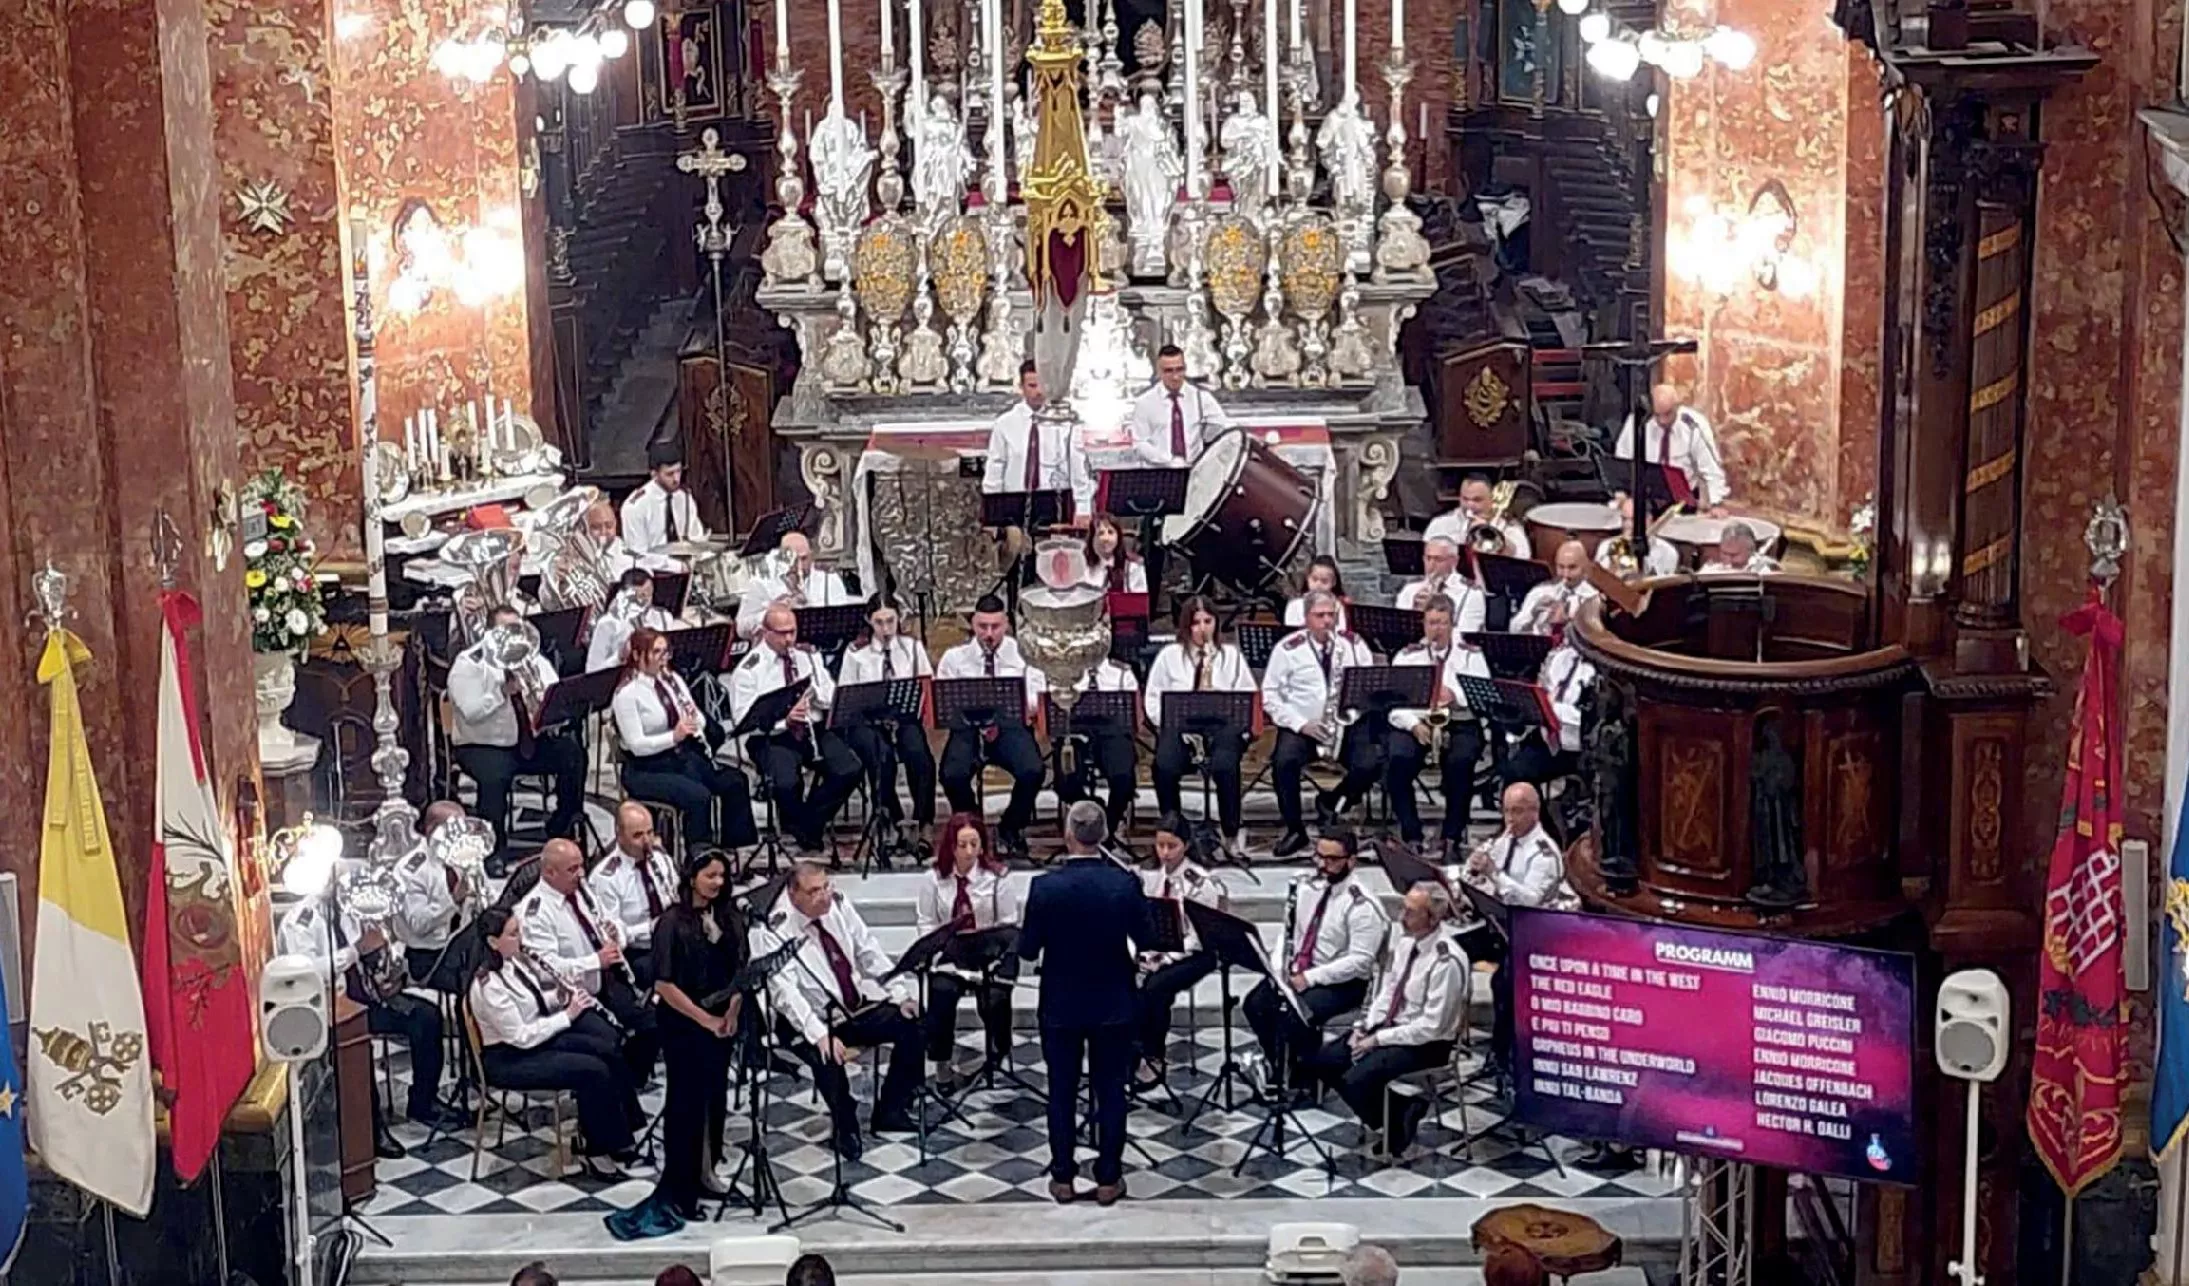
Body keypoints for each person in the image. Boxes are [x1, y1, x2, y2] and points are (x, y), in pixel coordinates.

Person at [1018, 800, 1153, 1206]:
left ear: (1067, 835)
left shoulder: (1045, 887)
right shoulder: (1124, 884)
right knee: (1111, 1090)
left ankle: (1063, 1176)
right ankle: (1109, 1177)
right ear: (1105, 835)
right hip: (1113, 1001)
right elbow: (1147, 938)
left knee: (1061, 1090)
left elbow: (1028, 949)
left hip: (1061, 1004)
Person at [609, 851, 746, 1237]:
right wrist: (706, 1020)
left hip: (723, 1020)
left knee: (714, 1098)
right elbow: (665, 985)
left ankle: (707, 1171)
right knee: (686, 1105)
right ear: (692, 876)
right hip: (685, 1025)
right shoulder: (670, 922)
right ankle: (682, 1188)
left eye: (722, 876)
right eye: (710, 875)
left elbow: (740, 970)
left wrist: (732, 1012)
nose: (717, 882)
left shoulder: (729, 916)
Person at [749, 862, 926, 1160]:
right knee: (826, 1056)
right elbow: (786, 994)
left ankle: (892, 1108)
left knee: (913, 1022)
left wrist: (899, 993)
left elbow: (868, 950)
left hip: (850, 1007)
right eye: (814, 891)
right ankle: (845, 1124)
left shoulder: (838, 905)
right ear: (793, 895)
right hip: (807, 1018)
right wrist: (820, 1035)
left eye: (826, 886)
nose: (824, 896)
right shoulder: (774, 929)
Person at [278, 884, 465, 1148]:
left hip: (369, 995)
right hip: (332, 1006)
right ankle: (371, 1127)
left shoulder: (348, 911)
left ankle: (424, 1101)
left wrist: (389, 964)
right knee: (358, 1043)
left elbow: (371, 952)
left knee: (427, 1017)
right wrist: (355, 950)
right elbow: (307, 972)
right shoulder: (300, 922)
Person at [469, 906, 644, 1181]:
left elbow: (533, 1002)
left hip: (535, 1040)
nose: (520, 938)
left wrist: (560, 997)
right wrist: (567, 1015)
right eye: (513, 934)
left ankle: (624, 1135)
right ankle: (597, 1151)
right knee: (592, 1071)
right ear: (493, 942)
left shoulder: (513, 963)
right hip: (509, 1058)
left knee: (606, 1049)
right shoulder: (488, 985)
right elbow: (521, 1036)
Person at [1306, 882, 1466, 1158]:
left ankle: (1397, 1124)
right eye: (1403, 908)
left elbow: (1431, 1026)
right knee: (1327, 1061)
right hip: (1393, 1027)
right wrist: (1365, 1026)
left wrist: (1377, 1040)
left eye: (1411, 912)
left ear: (1433, 918)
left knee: (1357, 1078)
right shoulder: (1406, 943)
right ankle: (1400, 1110)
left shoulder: (1447, 961)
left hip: (1428, 1043)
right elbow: (1389, 992)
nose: (1402, 917)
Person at [1245, 830, 1386, 1098]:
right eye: (1319, 857)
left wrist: (1310, 978)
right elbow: (1289, 933)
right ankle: (1282, 1066)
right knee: (1255, 1004)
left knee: (1296, 1014)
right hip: (1299, 971)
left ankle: (1306, 1078)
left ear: (1351, 861)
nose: (1322, 865)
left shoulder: (1363, 906)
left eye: (1332, 859)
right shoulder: (1307, 888)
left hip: (1343, 983)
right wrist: (1278, 969)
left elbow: (1360, 962)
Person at [448, 603, 585, 868]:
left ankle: (562, 826)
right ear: (489, 633)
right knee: (494, 777)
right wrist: (501, 692)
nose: (513, 638)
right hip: (481, 744)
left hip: (525, 741)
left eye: (517, 630)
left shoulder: (531, 657)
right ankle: (493, 849)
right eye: (506, 631)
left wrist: (546, 707)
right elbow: (470, 712)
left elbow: (554, 692)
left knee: (571, 754)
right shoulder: (468, 664)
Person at [516, 839, 660, 1085]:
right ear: (549, 872)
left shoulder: (581, 891)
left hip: (605, 982)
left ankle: (630, 1082)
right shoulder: (536, 912)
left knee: (653, 1023)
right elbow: (545, 969)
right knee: (608, 1041)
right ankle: (613, 1091)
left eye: (581, 866)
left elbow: (609, 920)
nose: (581, 874)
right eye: (572, 869)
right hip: (572, 997)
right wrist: (595, 960)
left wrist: (615, 933)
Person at [729, 602, 863, 855]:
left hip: (812, 727)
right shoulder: (749, 670)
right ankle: (800, 824)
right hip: (772, 737)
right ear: (766, 633)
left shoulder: (807, 656)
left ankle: (808, 823)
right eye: (782, 633)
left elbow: (830, 696)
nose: (789, 639)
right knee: (786, 783)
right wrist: (785, 721)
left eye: (792, 631)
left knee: (849, 769)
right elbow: (743, 721)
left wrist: (814, 694)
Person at [612, 626, 758, 850]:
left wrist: (696, 723)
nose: (664, 658)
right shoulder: (627, 695)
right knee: (698, 796)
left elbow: (696, 714)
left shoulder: (673, 680)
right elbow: (636, 745)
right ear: (637, 655)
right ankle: (700, 856)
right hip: (646, 769)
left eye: (666, 652)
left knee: (734, 781)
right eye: (657, 652)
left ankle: (734, 849)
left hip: (680, 757)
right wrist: (674, 736)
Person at [1261, 591, 1378, 858]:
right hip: (1304, 725)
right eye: (1320, 615)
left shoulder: (1353, 645)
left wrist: (1354, 711)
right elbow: (1270, 694)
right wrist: (1300, 723)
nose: (1327, 621)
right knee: (1283, 763)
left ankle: (1332, 802)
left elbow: (1370, 683)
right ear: (1306, 618)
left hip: (1345, 723)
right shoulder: (1287, 648)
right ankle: (1295, 829)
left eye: (1331, 615)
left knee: (1371, 763)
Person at [1460, 782, 1568, 1070]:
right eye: (1506, 811)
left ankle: (1502, 1055)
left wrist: (1494, 875)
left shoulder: (1544, 853)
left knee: (1503, 982)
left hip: (1533, 935)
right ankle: (1448, 1034)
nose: (1510, 819)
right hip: (1500, 925)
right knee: (1454, 951)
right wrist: (1473, 871)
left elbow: (1530, 900)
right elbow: (1476, 876)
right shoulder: (1504, 841)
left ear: (1535, 811)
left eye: (1518, 812)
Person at [935, 594, 1048, 858]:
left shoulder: (1025, 654)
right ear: (973, 624)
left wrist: (1017, 701)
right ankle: (973, 826)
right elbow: (943, 698)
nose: (988, 634)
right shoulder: (954, 658)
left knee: (1033, 771)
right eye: (982, 626)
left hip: (1010, 728)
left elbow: (1037, 695)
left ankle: (1011, 826)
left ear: (1006, 624)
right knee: (951, 775)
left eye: (995, 627)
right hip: (968, 729)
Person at [916, 814, 1023, 1086]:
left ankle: (998, 1050)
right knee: (941, 993)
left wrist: (999, 957)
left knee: (995, 998)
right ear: (951, 846)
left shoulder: (998, 878)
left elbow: (1008, 924)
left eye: (974, 844)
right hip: (950, 956)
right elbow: (926, 921)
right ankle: (942, 1063)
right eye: (962, 845)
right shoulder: (933, 879)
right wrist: (935, 953)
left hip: (989, 955)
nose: (968, 852)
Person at [1146, 595, 1255, 849]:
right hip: (1179, 728)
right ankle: (1173, 831)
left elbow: (1248, 695)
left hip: (1223, 728)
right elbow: (1152, 697)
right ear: (1186, 626)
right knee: (1163, 767)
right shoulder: (1169, 656)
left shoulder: (1232, 656)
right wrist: (1165, 721)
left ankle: (1230, 832)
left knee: (1226, 767)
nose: (1203, 628)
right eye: (1196, 623)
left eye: (1208, 621)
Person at [1384, 593, 1489, 849]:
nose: (1437, 629)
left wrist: (1455, 696)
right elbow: (1393, 703)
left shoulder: (1471, 655)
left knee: (1460, 764)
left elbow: (1483, 695)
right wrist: (1413, 725)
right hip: (1417, 721)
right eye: (1431, 623)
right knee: (1398, 762)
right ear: (1423, 624)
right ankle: (1412, 835)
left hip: (1458, 720)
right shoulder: (1407, 656)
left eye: (1442, 623)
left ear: (1452, 624)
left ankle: (1452, 836)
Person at [835, 596, 939, 846]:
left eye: (890, 621)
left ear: (898, 618)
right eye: (879, 622)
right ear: (869, 622)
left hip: (903, 717)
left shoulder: (912, 648)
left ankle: (923, 822)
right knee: (881, 758)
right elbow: (846, 695)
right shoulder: (856, 653)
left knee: (920, 757)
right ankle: (892, 818)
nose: (886, 629)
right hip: (867, 722)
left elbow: (927, 684)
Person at [1135, 812, 1227, 1086]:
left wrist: (1164, 959)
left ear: (1185, 845)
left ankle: (1154, 1055)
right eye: (1160, 845)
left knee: (1156, 987)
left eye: (1171, 846)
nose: (1164, 853)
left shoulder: (1200, 883)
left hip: (1196, 953)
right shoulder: (1149, 874)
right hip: (1157, 947)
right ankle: (1130, 1050)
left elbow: (1197, 938)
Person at [982, 359, 1097, 522]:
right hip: (1014, 499)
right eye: (1032, 386)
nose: (1039, 391)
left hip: (1054, 499)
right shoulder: (1005, 424)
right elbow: (996, 466)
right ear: (1021, 387)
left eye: (1043, 385)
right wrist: (992, 507)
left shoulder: (1065, 422)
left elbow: (1078, 466)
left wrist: (1083, 507)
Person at [589, 801, 681, 986]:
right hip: (640, 950)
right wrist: (652, 928)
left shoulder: (661, 859)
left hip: (673, 937)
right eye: (638, 835)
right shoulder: (605, 878)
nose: (647, 841)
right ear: (619, 835)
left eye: (650, 832)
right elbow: (614, 937)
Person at [396, 801, 481, 993]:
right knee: (479, 987)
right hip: (429, 956)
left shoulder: (464, 855)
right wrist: (453, 901)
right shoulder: (411, 871)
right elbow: (419, 924)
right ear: (432, 830)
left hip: (466, 944)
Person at [1053, 654, 1141, 837]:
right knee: (1066, 780)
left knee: (1123, 778)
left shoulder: (1122, 673)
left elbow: (1136, 717)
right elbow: (1051, 706)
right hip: (1074, 735)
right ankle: (1093, 813)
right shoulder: (1063, 673)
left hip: (1112, 735)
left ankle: (1108, 829)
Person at [1611, 383, 1731, 512]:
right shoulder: (1638, 421)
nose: (1662, 421)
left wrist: (1716, 503)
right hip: (1646, 496)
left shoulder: (1694, 425)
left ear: (1677, 406)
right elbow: (1622, 460)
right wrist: (1621, 494)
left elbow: (1711, 467)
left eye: (1668, 414)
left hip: (1683, 499)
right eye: (1657, 415)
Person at [1501, 638, 1594, 790]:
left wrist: (1552, 708)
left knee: (1522, 772)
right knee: (1513, 771)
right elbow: (1545, 692)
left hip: (1578, 745)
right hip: (1547, 738)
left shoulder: (1598, 672)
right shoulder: (1564, 657)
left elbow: (1589, 716)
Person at [735, 531, 857, 638]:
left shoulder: (829, 578)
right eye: (792, 559)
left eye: (804, 559)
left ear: (812, 555)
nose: (799, 566)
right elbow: (741, 628)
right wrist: (769, 616)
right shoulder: (761, 582)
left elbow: (844, 619)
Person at [1130, 344, 1230, 466]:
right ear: (1159, 371)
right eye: (1169, 371)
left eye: (1179, 369)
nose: (1175, 376)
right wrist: (1166, 461)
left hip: (1193, 469)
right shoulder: (1145, 403)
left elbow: (1222, 426)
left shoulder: (1201, 397)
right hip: (1159, 469)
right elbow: (1139, 442)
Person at [621, 441, 710, 567]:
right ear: (654, 474)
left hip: (687, 568)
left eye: (679, 471)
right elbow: (638, 555)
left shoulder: (684, 497)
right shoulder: (636, 507)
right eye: (669, 474)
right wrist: (676, 567)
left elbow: (696, 539)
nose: (676, 479)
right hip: (654, 573)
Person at [586, 568, 676, 672]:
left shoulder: (663, 618)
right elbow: (592, 670)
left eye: (649, 594)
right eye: (639, 597)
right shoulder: (608, 624)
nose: (646, 602)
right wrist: (619, 657)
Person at [1422, 475, 1527, 558]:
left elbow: (1523, 557)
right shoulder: (1440, 524)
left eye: (1477, 500)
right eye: (1465, 499)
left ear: (1491, 500)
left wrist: (1489, 532)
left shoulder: (1510, 528)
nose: (1470, 505)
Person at [1513, 541, 1600, 638]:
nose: (1566, 574)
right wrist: (1532, 614)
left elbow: (1597, 639)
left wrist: (1573, 624)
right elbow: (1513, 629)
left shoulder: (1593, 599)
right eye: (1561, 567)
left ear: (1585, 568)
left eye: (1572, 567)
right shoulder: (1540, 592)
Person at [1395, 538, 1483, 627]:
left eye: (1438, 559)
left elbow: (1465, 632)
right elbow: (1400, 628)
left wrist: (1433, 611)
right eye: (1428, 558)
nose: (1431, 565)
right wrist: (1416, 613)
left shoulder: (1470, 594)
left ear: (1454, 561)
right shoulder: (1409, 590)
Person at [1595, 493, 1679, 578]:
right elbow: (1598, 581)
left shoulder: (1667, 551)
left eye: (1633, 519)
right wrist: (1614, 565)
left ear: (1648, 520)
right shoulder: (1606, 546)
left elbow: (1660, 583)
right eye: (1624, 519)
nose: (1628, 525)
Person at [1082, 513, 1149, 593]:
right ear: (1092, 539)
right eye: (1100, 533)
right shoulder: (1085, 568)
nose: (1106, 538)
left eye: (1110, 532)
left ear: (1118, 537)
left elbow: (1140, 598)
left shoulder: (1133, 568)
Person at [1282, 555, 1351, 631]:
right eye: (1314, 579)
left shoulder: (1337, 606)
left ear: (1333, 582)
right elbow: (1291, 632)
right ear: (1308, 578)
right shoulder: (1295, 605)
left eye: (1324, 581)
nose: (1318, 584)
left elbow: (1341, 631)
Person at [583, 498, 639, 579]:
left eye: (609, 526)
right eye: (596, 527)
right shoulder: (579, 553)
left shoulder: (632, 557)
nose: (603, 532)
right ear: (586, 528)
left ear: (615, 524)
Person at [1699, 519, 1780, 575]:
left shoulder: (1766, 570)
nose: (1728, 560)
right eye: (1724, 553)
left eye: (1733, 555)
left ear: (1750, 551)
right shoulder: (1711, 568)